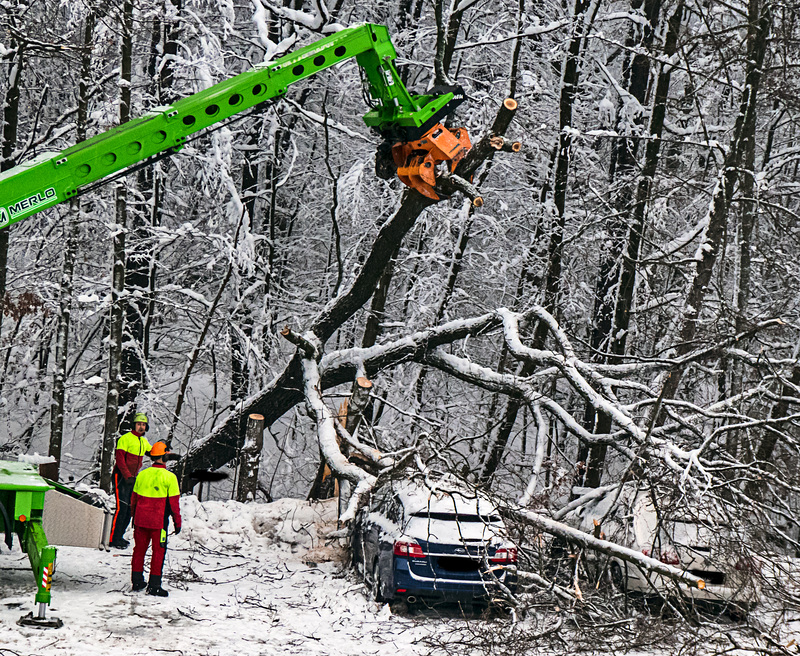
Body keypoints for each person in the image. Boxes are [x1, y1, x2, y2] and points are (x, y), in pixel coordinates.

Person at [130, 441, 182, 597]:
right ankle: (154, 585)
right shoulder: (170, 477)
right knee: (158, 552)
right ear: (164, 456)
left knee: (139, 550)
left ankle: (137, 580)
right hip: (158, 523)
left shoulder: (142, 474)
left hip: (140, 520)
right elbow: (174, 504)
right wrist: (177, 522)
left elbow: (134, 499)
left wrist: (134, 517)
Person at [109, 412, 151, 548]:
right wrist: (127, 475)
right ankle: (112, 538)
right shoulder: (125, 439)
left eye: (143, 425)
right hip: (120, 477)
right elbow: (120, 459)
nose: (141, 427)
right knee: (121, 508)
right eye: (139, 424)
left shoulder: (144, 442)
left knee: (129, 510)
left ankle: (119, 536)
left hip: (132, 479)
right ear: (134, 425)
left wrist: (167, 452)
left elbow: (154, 453)